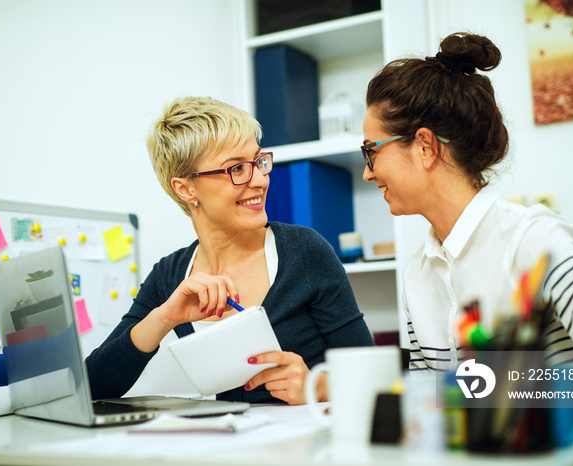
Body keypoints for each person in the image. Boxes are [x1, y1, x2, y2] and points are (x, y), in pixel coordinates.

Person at [361, 32, 573, 372]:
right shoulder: (418, 274)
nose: (368, 174)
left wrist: (517, 393)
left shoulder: (532, 242)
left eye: (371, 151)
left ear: (424, 147)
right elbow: (429, 405)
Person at [86, 96, 374, 405]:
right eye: (237, 168)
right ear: (186, 189)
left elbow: (375, 378)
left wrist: (318, 387)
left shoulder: (303, 250)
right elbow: (92, 385)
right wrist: (164, 318)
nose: (260, 179)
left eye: (259, 161)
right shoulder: (170, 276)